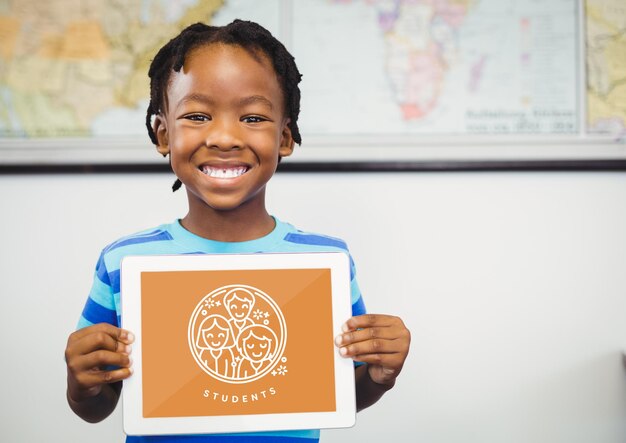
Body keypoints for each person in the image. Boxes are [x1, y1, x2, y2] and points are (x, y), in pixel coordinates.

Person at [64, 19, 411, 442]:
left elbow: (336, 393)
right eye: (196, 115)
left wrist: (380, 374)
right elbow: (98, 405)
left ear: (285, 138)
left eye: (251, 117)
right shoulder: (124, 261)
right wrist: (82, 382)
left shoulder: (326, 263)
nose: (225, 137)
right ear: (163, 134)